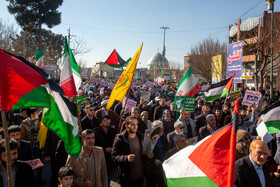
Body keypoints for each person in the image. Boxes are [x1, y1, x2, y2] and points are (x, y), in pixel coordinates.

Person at [111, 116, 144, 187]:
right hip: (126, 177)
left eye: (136, 124)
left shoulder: (141, 137)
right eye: (132, 124)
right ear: (126, 126)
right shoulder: (120, 139)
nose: (135, 126)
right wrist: (126, 158)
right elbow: (113, 156)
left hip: (140, 176)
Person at [94, 115, 117, 186]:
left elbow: (116, 141)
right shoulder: (96, 132)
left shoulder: (113, 129)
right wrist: (104, 149)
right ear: (100, 124)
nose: (106, 121)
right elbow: (95, 145)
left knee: (110, 175)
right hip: (101, 157)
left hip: (111, 157)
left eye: (107, 119)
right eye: (104, 120)